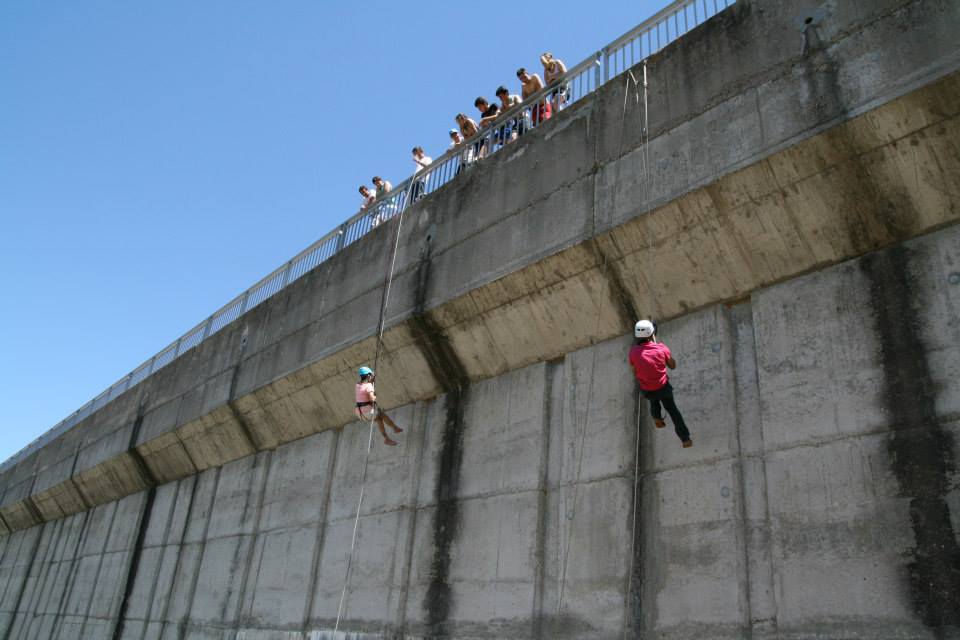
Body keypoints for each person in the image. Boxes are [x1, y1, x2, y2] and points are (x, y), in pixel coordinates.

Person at [628, 320, 693, 448]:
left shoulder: (633, 352)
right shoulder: (661, 348)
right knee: (673, 410)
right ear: (652, 333)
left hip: (647, 388)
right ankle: (685, 439)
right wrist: (664, 356)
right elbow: (672, 366)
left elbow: (634, 371)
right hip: (663, 387)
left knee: (653, 399)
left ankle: (657, 417)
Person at [355, 366, 403, 446]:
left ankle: (388, 437)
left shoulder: (358, 385)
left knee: (379, 419)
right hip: (367, 411)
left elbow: (364, 389)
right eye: (370, 375)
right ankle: (394, 428)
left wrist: (371, 381)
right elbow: (372, 399)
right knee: (382, 414)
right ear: (368, 376)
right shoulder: (369, 386)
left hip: (360, 413)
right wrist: (374, 395)